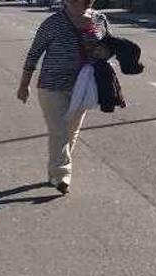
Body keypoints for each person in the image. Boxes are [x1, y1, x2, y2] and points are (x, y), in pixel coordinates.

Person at [17, 0, 111, 195]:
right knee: (59, 130)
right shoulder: (53, 23)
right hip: (52, 86)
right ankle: (62, 175)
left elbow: (109, 47)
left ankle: (55, 171)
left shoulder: (99, 20)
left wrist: (104, 52)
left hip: (83, 86)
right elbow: (34, 53)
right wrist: (24, 85)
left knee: (71, 131)